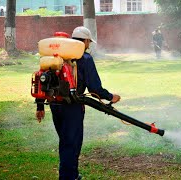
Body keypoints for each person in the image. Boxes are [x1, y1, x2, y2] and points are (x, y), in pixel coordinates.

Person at [35, 26, 121, 180]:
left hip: (55, 104)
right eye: (89, 42)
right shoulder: (84, 58)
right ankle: (67, 177)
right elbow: (94, 87)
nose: (88, 45)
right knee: (71, 143)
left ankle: (72, 174)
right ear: (86, 41)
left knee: (66, 140)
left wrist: (40, 105)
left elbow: (43, 80)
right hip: (72, 106)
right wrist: (110, 97)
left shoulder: (53, 56)